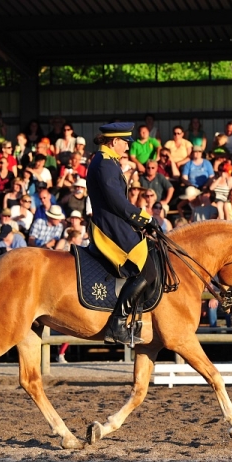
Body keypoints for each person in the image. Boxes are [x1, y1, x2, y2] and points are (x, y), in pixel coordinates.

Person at [86, 123, 158, 345]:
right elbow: (117, 202)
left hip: (116, 222)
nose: (128, 147)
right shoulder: (105, 164)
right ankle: (117, 324)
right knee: (146, 270)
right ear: (114, 141)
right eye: (125, 142)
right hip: (110, 226)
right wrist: (143, 217)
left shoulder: (107, 162)